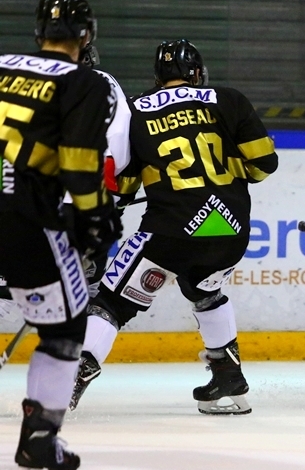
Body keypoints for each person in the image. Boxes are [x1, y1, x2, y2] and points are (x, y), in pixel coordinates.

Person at [70, 39, 278, 415]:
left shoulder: (135, 111)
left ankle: (72, 376)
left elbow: (124, 182)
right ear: (197, 73)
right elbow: (264, 165)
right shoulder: (229, 99)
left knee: (111, 303)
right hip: (230, 232)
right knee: (203, 289)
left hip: (170, 232)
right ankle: (228, 376)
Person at [0, 0, 120, 470]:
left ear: (38, 33)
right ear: (86, 35)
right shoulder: (85, 82)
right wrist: (95, 220)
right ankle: (40, 436)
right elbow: (76, 161)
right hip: (23, 217)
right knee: (66, 329)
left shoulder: (2, 65)